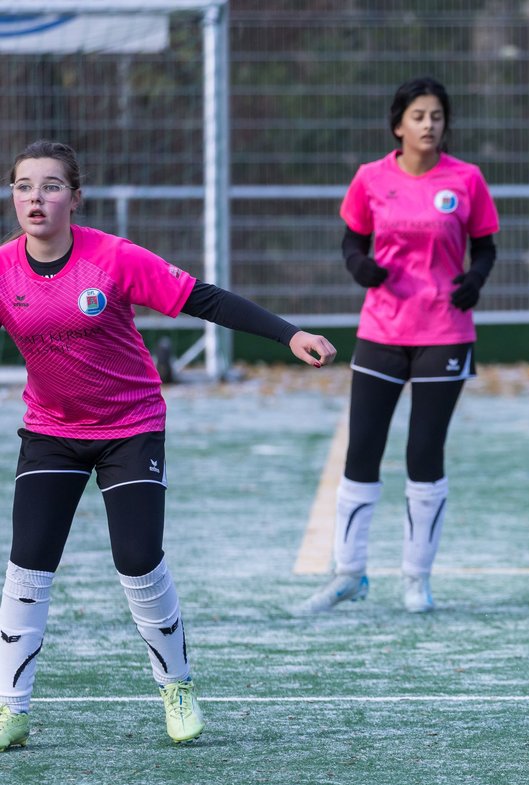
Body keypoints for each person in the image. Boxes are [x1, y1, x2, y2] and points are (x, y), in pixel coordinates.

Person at [0, 140, 337, 751]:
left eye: (51, 186)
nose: (36, 198)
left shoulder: (112, 258)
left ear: (75, 197)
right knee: (28, 564)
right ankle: (11, 708)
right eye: (24, 187)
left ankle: (176, 686)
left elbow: (203, 297)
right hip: (51, 429)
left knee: (137, 559)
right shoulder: (4, 269)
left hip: (130, 426)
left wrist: (288, 335)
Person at [300, 76, 499, 615]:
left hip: (445, 331)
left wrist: (475, 279)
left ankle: (416, 579)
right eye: (418, 116)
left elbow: (485, 247)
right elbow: (352, 239)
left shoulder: (466, 178)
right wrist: (358, 266)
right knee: (362, 448)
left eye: (436, 116)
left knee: (423, 452)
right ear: (398, 125)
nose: (429, 124)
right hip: (382, 330)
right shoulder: (371, 178)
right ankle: (348, 574)